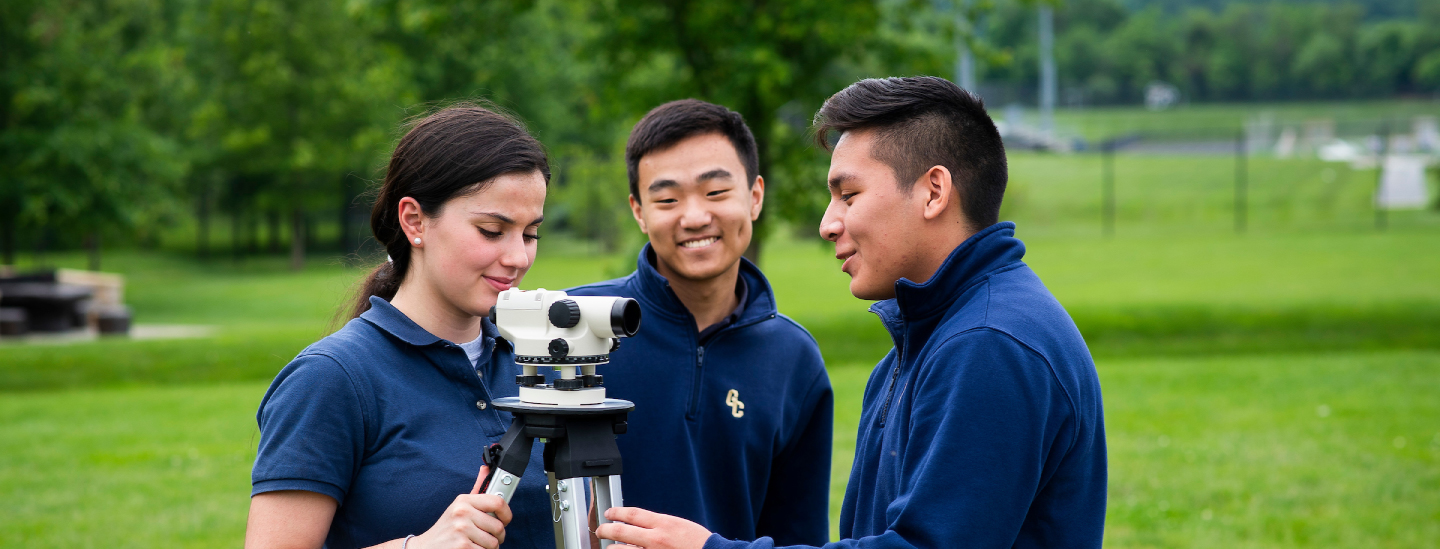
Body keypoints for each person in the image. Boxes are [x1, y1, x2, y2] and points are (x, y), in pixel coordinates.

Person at [596, 77, 1108, 549]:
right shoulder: (922, 344)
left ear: (933, 191)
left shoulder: (991, 342)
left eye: (848, 194)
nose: (827, 224)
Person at [246, 104, 558, 549]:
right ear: (414, 220)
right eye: (492, 230)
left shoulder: (535, 362)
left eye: (530, 234)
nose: (518, 258)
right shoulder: (331, 378)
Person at [565, 99, 834, 545]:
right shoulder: (574, 330)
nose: (694, 217)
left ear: (755, 196)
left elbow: (795, 536)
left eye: (715, 193)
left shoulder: (793, 360)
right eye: (667, 199)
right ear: (638, 210)